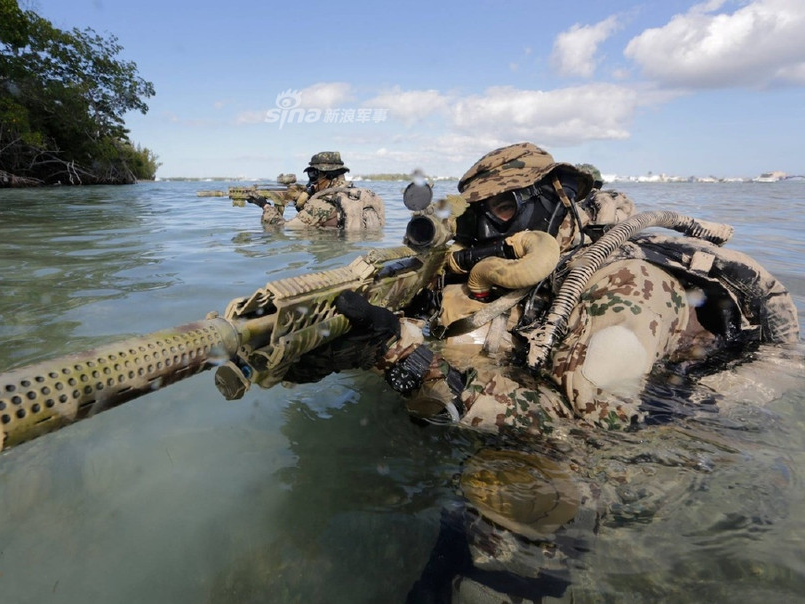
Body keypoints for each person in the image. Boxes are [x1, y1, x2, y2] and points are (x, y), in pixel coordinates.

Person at [283, 141, 800, 601]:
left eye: (505, 209)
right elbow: (457, 341)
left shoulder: (624, 285)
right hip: (552, 400)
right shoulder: (516, 274)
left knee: (513, 519)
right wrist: (345, 343)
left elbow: (589, 429)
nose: (488, 231)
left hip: (656, 436)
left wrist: (402, 358)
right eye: (476, 216)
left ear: (557, 201)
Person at [253, 151, 386, 230]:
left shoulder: (320, 205)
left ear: (328, 175)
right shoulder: (361, 195)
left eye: (314, 174)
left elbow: (284, 227)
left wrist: (265, 206)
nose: (311, 180)